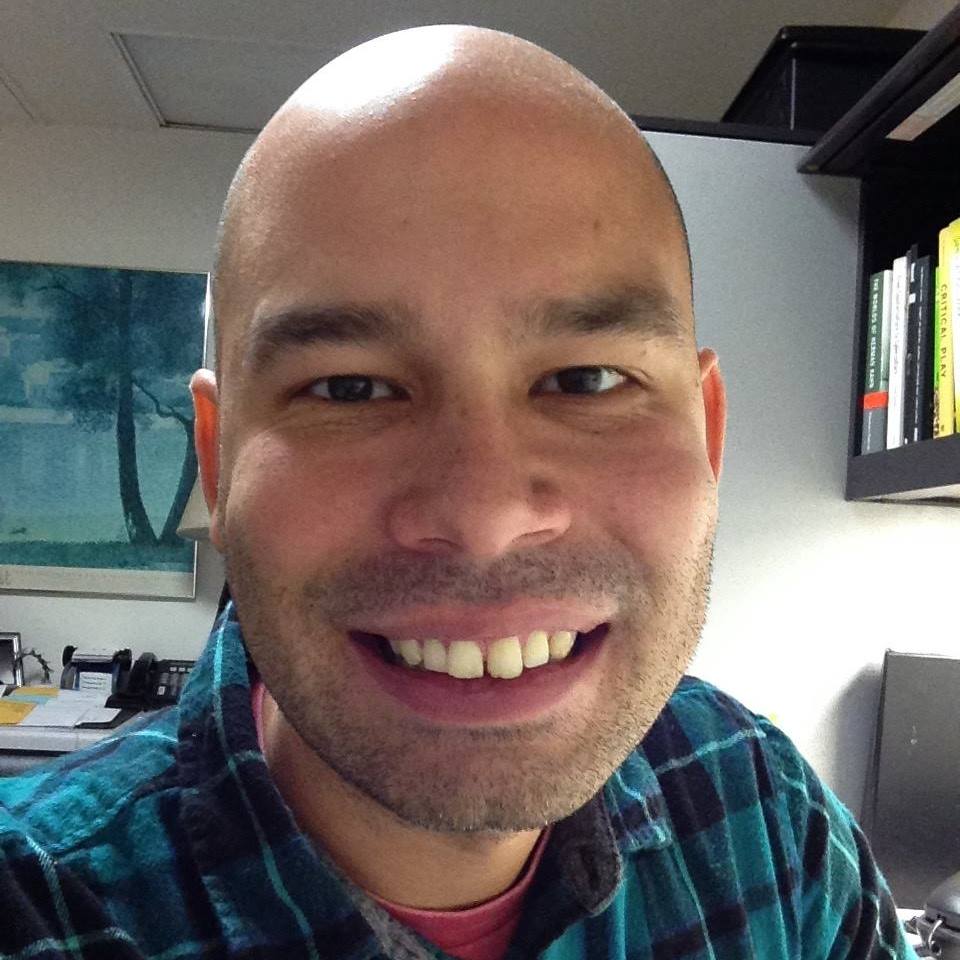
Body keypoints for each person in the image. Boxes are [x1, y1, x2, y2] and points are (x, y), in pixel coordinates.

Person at [0, 24, 916, 960]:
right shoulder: (33, 909)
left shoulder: (767, 815)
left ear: (707, 435)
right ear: (220, 458)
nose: (484, 517)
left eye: (587, 380)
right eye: (350, 387)